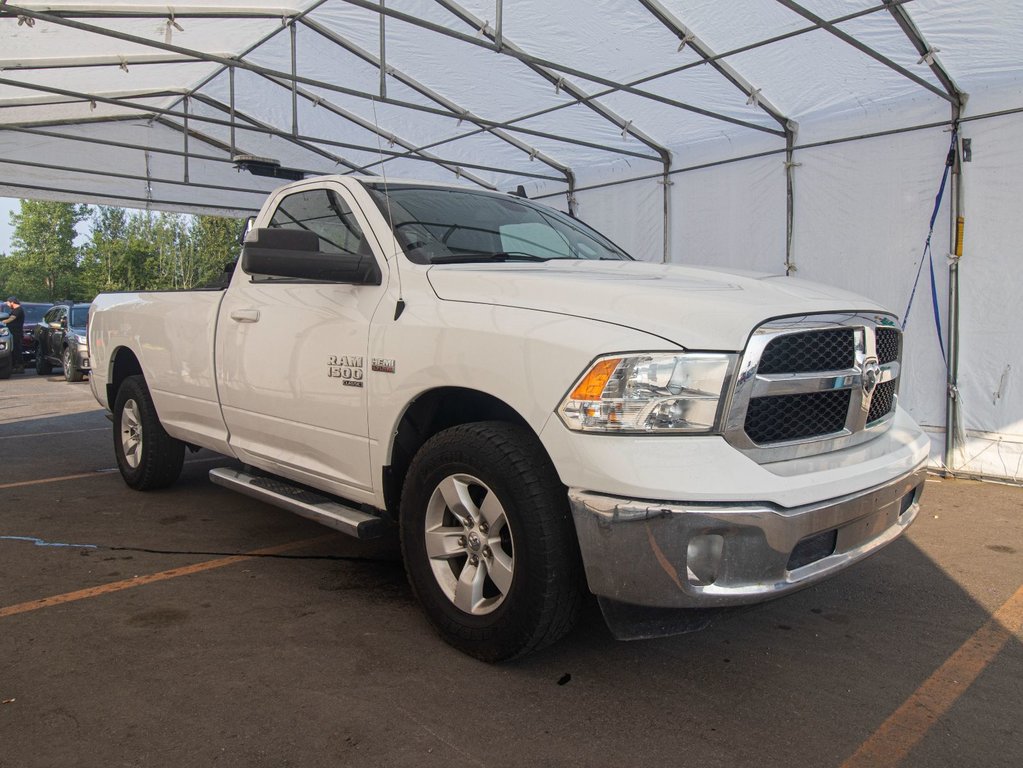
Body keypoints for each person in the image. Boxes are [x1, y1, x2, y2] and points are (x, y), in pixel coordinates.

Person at [2, 297, 25, 373]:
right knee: (13, 350)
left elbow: (11, 319)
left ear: (12, 302)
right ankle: (15, 366)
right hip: (12, 333)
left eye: (8, 303)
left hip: (16, 333)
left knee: (17, 350)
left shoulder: (18, 310)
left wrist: (3, 322)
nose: (8, 305)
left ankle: (20, 366)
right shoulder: (14, 310)